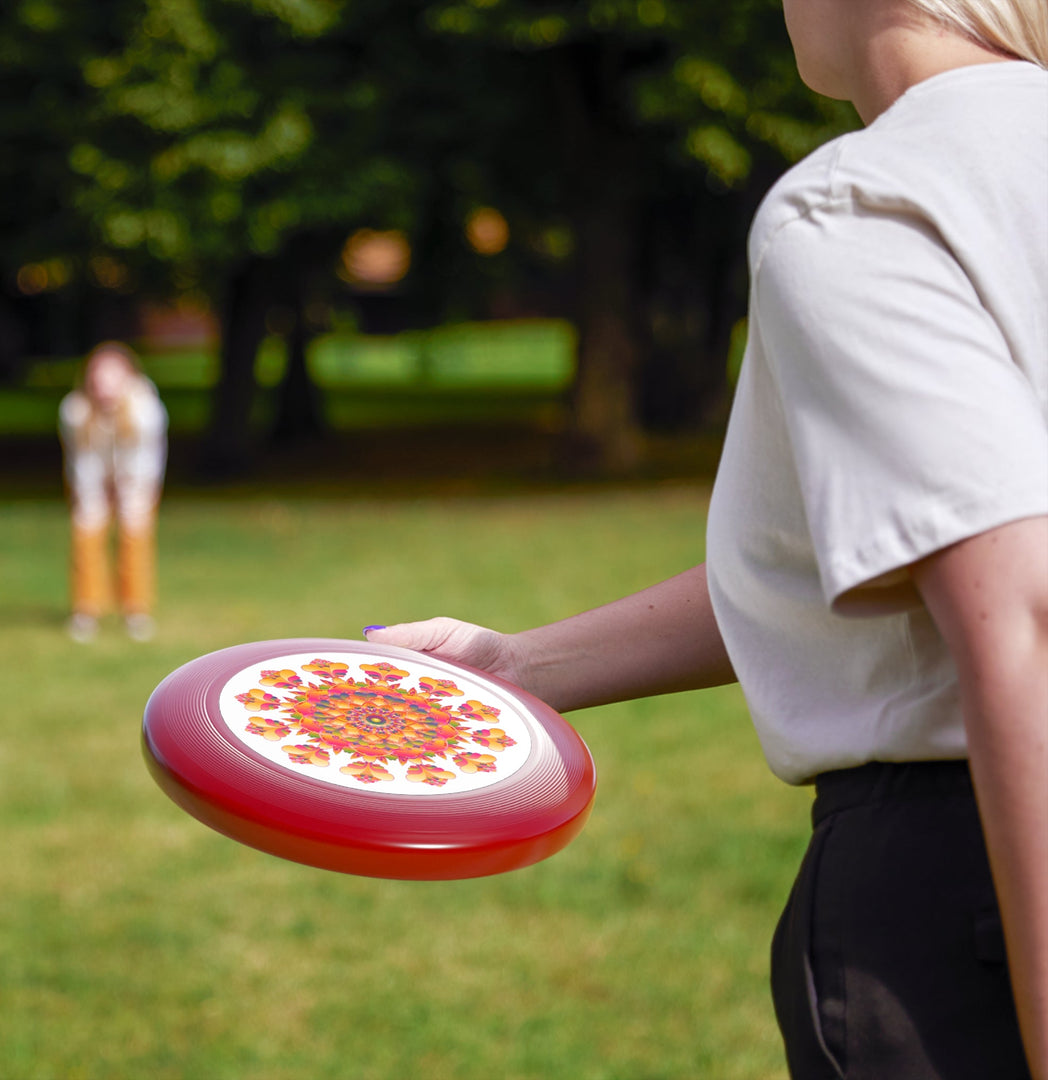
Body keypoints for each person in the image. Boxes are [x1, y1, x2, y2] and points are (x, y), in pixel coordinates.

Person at [363, 2, 1048, 1077]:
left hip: (971, 889)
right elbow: (880, 553)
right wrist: (517, 666)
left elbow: (1023, 615)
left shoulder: (868, 202)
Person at [58, 341, 168, 642]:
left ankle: (136, 610)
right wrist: (93, 496)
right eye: (98, 376)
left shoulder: (146, 410)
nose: (104, 385)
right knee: (86, 531)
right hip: (91, 478)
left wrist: (129, 493)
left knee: (135, 535)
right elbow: (82, 460)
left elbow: (145, 460)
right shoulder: (75, 410)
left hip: (136, 479)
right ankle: (86, 610)